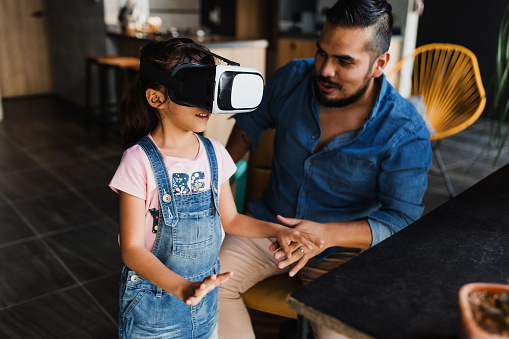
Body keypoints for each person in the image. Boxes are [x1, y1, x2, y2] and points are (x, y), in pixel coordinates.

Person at [218, 0, 433, 338]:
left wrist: (326, 235)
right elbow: (249, 124)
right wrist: (221, 183)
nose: (325, 70)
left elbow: (402, 220)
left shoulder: (405, 131)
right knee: (206, 286)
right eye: (322, 53)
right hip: (270, 227)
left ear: (379, 64)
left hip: (343, 252)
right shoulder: (292, 78)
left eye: (344, 61)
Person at [109, 38, 323, 339]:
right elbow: (131, 250)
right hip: (154, 308)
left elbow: (231, 220)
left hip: (205, 302)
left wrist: (277, 230)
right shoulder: (138, 161)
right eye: (195, 90)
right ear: (156, 98)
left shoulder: (215, 153)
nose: (207, 102)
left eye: (210, 90)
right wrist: (181, 287)